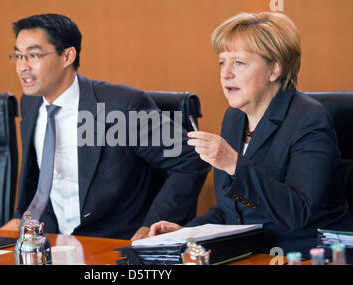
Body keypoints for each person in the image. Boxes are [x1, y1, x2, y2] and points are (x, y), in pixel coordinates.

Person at [149, 12, 353, 255]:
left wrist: (233, 163)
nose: (226, 73)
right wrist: (185, 233)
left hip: (306, 253)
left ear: (274, 69)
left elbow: (298, 212)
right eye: (222, 62)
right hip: (252, 251)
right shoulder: (234, 117)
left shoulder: (309, 119)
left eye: (239, 62)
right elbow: (231, 211)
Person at [0, 13, 210, 240]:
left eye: (33, 55)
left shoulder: (120, 107)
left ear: (68, 56)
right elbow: (38, 176)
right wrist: (22, 216)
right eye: (18, 56)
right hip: (52, 240)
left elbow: (190, 158)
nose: (22, 67)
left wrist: (153, 227)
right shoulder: (31, 101)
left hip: (112, 242)